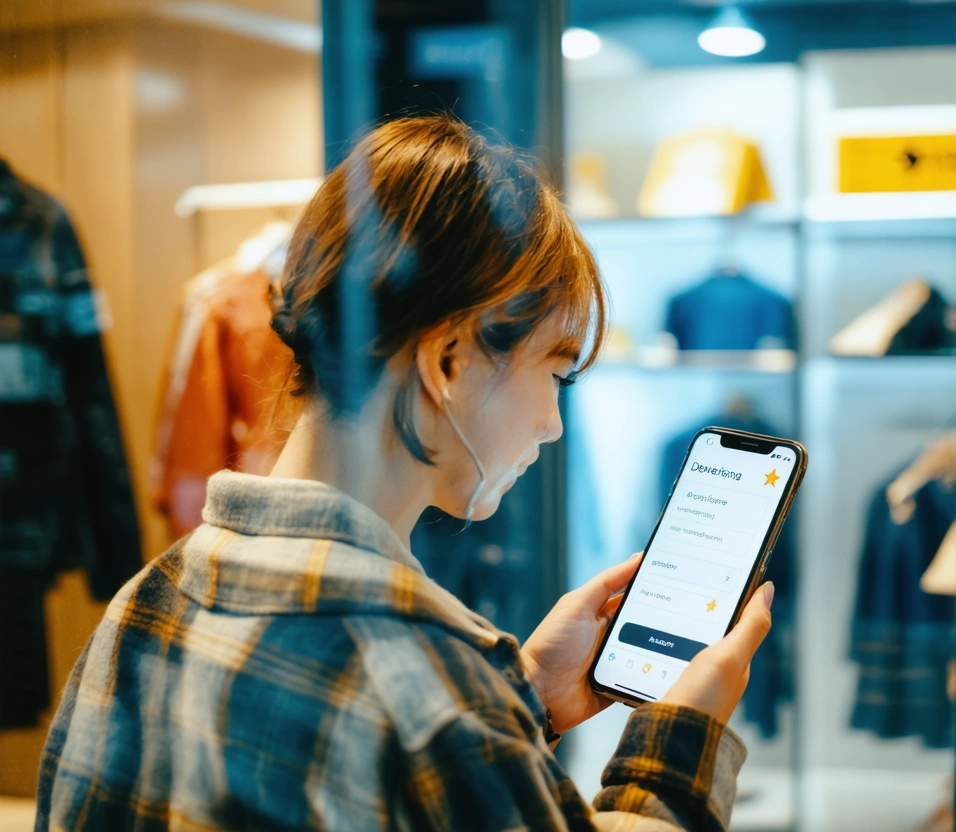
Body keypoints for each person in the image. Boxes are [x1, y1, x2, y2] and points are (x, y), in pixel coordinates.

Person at [35, 116, 774, 832]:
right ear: (448, 360)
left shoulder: (142, 607)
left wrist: (521, 702)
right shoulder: (429, 687)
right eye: (556, 371)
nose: (552, 422)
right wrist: (678, 741)